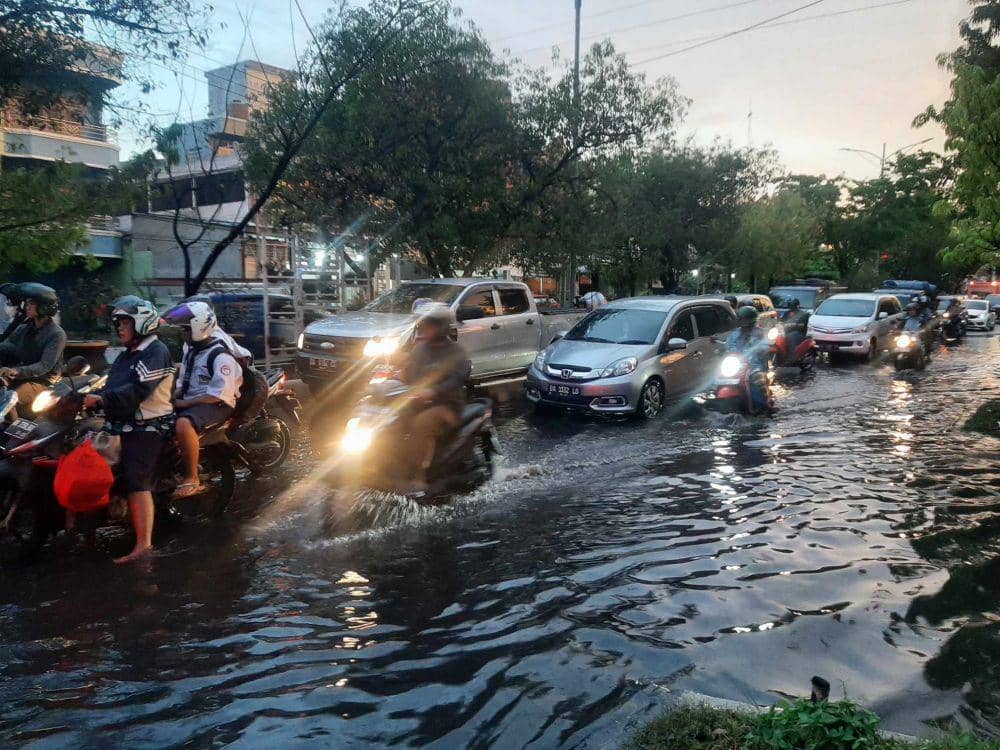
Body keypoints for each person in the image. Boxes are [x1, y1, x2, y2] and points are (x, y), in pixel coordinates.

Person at [83, 296, 175, 564]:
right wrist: (88, 395)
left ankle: (143, 545)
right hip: (123, 422)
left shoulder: (155, 351)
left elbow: (137, 390)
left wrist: (103, 399)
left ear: (142, 323)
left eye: (125, 322)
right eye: (119, 323)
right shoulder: (126, 355)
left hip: (149, 425)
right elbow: (112, 386)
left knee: (137, 480)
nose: (120, 328)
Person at [162, 301, 243, 499]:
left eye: (186, 329)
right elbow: (183, 382)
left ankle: (192, 477)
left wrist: (183, 404)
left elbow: (218, 394)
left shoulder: (220, 356)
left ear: (200, 326)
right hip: (195, 401)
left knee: (183, 424)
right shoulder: (191, 349)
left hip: (217, 404)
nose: (183, 334)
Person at [398, 304, 471, 494]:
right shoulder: (419, 350)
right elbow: (408, 373)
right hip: (417, 402)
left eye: (428, 325)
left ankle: (419, 476)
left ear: (441, 327)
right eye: (422, 324)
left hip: (448, 406)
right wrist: (393, 375)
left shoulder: (456, 352)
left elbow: (458, 378)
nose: (423, 329)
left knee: (421, 424)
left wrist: (434, 392)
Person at [0, 283, 66, 411]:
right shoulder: (25, 328)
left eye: (31, 304)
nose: (27, 307)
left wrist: (17, 371)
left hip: (43, 381)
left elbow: (44, 366)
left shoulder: (57, 334)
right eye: (27, 303)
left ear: (43, 307)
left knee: (11, 398)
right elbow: (8, 345)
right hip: (21, 374)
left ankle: (13, 429)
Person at [726, 306, 771, 412]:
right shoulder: (735, 333)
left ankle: (765, 407)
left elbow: (765, 346)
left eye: (744, 318)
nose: (741, 321)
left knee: (756, 382)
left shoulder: (760, 333)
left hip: (754, 366)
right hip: (736, 365)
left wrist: (759, 348)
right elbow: (728, 345)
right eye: (740, 318)